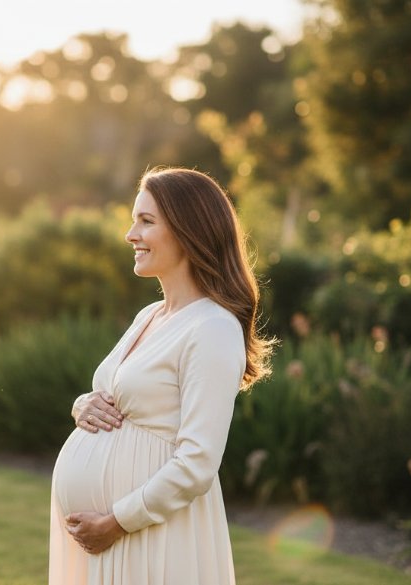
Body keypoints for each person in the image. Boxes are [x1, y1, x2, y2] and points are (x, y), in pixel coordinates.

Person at [48, 167, 275, 584]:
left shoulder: (212, 327)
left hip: (150, 536)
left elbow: (198, 462)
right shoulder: (150, 316)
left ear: (189, 231)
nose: (130, 234)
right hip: (108, 538)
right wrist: (82, 405)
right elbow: (114, 392)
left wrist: (117, 521)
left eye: (146, 221)